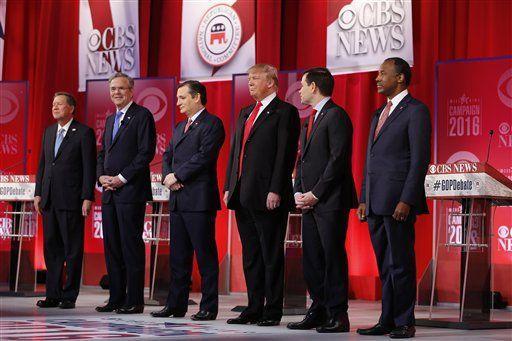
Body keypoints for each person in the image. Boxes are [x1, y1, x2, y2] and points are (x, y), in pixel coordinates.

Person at [356, 57, 431, 339]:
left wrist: (407, 199)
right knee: (385, 265)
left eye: (383, 74)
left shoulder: (416, 111)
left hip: (398, 201)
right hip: (375, 202)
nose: (377, 78)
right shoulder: (378, 114)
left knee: (400, 263)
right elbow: (370, 161)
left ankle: (404, 321)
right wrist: (364, 197)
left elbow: (419, 159)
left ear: (400, 78)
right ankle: (386, 319)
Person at [224, 63, 300, 326]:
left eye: (255, 78)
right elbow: (236, 152)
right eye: (249, 79)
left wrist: (276, 188)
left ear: (271, 82)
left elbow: (285, 154)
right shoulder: (246, 112)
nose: (250, 83)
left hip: (268, 195)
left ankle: (272, 309)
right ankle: (253, 306)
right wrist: (228, 185)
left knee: (270, 255)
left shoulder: (284, 112)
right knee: (251, 255)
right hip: (242, 193)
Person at [288, 67, 358, 333]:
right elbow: (301, 161)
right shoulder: (310, 119)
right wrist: (297, 191)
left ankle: (338, 314)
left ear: (315, 87)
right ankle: (318, 309)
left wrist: (316, 193)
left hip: (330, 201)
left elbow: (337, 160)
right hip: (308, 201)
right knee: (312, 259)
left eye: (303, 86)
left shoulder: (336, 115)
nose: (300, 90)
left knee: (332, 257)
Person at [152, 80, 225, 321]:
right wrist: (167, 178)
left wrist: (178, 175)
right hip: (178, 197)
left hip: (198, 199)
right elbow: (167, 155)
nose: (178, 103)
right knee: (178, 256)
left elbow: (205, 156)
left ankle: (208, 306)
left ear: (196, 98)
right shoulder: (180, 126)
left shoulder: (212, 124)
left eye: (182, 98)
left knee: (205, 256)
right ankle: (175, 304)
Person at [96, 72, 156, 314]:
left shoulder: (142, 116)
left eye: (121, 88)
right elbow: (102, 153)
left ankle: (134, 300)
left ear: (131, 91)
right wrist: (101, 177)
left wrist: (121, 178)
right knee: (112, 246)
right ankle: (116, 298)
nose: (116, 93)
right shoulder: (111, 120)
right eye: (113, 89)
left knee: (130, 245)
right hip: (109, 192)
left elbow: (146, 153)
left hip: (130, 191)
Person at [34, 92, 96, 309]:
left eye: (59, 104)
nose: (55, 107)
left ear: (71, 108)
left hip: (71, 199)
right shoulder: (49, 132)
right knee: (51, 248)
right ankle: (53, 294)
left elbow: (90, 168)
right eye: (53, 104)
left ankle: (69, 295)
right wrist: (38, 193)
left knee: (72, 249)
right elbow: (43, 165)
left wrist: (87, 196)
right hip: (49, 199)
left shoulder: (84, 133)